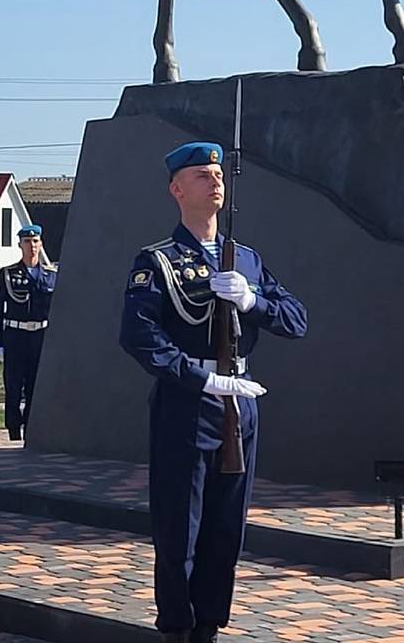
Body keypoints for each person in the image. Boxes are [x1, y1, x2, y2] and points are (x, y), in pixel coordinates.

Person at [120, 141, 307, 643]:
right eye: (202, 175)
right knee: (181, 525)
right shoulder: (157, 261)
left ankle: (209, 625)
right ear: (177, 189)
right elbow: (139, 337)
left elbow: (296, 320)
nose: (215, 181)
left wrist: (253, 301)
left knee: (227, 527)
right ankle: (178, 628)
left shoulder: (245, 260)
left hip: (239, 402)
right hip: (188, 400)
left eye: (219, 173)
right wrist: (202, 378)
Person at [0, 222, 58, 442]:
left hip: (40, 337)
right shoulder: (8, 274)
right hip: (16, 336)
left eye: (35, 242)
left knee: (34, 388)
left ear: (41, 244)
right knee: (13, 386)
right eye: (27, 242)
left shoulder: (51, 275)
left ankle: (30, 430)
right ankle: (13, 431)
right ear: (20, 245)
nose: (32, 246)